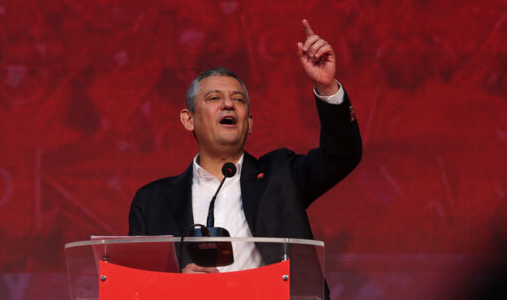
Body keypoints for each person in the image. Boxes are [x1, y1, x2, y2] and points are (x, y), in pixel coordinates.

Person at [128, 19, 362, 296]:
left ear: (249, 123)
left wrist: (327, 88)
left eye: (238, 100)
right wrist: (176, 285)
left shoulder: (281, 175)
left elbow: (342, 154)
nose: (228, 104)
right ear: (188, 120)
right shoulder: (152, 201)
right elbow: (135, 287)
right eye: (214, 98)